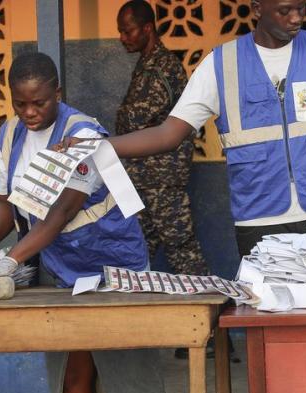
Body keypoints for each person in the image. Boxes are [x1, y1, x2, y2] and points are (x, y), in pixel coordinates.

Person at [58, 1, 306, 393]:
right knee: (277, 359)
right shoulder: (220, 64)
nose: (296, 17)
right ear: (258, 8)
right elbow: (169, 133)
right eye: (284, 10)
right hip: (263, 229)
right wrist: (102, 146)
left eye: (300, 8)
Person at [0, 52, 170, 393]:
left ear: (57, 93)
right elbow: (6, 201)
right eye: (20, 103)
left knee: (130, 374)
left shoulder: (84, 134)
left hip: (113, 265)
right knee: (73, 368)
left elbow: (59, 213)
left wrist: (10, 260)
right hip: (61, 267)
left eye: (39, 102)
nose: (29, 112)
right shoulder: (9, 135)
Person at [116, 0, 210, 361]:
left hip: (162, 180)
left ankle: (211, 332)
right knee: (137, 249)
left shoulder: (163, 68)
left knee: (183, 250)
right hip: (145, 179)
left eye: (128, 30)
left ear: (147, 28)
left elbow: (141, 124)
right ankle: (136, 332)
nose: (123, 37)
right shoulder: (147, 65)